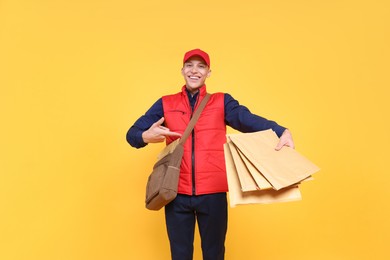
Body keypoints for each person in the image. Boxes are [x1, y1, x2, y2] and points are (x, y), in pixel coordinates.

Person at [126, 49, 295, 260]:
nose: (194, 71)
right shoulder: (166, 103)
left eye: (201, 66)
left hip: (213, 194)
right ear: (182, 70)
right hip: (175, 193)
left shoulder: (221, 101)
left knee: (214, 255)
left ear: (209, 73)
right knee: (179, 255)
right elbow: (131, 135)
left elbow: (247, 120)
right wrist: (144, 136)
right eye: (189, 65)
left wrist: (281, 131)